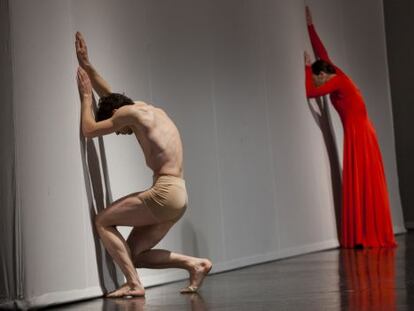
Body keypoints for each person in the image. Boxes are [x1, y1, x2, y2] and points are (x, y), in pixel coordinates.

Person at [75, 32, 212, 297]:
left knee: (103, 221)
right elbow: (112, 95)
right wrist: (88, 65)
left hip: (164, 193)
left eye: (117, 129)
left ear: (115, 115)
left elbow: (90, 130)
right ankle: (195, 264)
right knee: (135, 254)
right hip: (179, 194)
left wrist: (85, 99)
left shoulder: (127, 114)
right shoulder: (144, 110)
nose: (120, 132)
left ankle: (134, 284)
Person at [304, 7, 396, 248]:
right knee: (363, 183)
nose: (319, 81)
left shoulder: (335, 80)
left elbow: (311, 92)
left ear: (323, 74)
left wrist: (305, 69)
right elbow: (322, 53)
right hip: (360, 132)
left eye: (318, 76)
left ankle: (366, 234)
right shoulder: (335, 72)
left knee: (363, 182)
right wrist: (311, 27)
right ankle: (364, 232)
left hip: (360, 134)